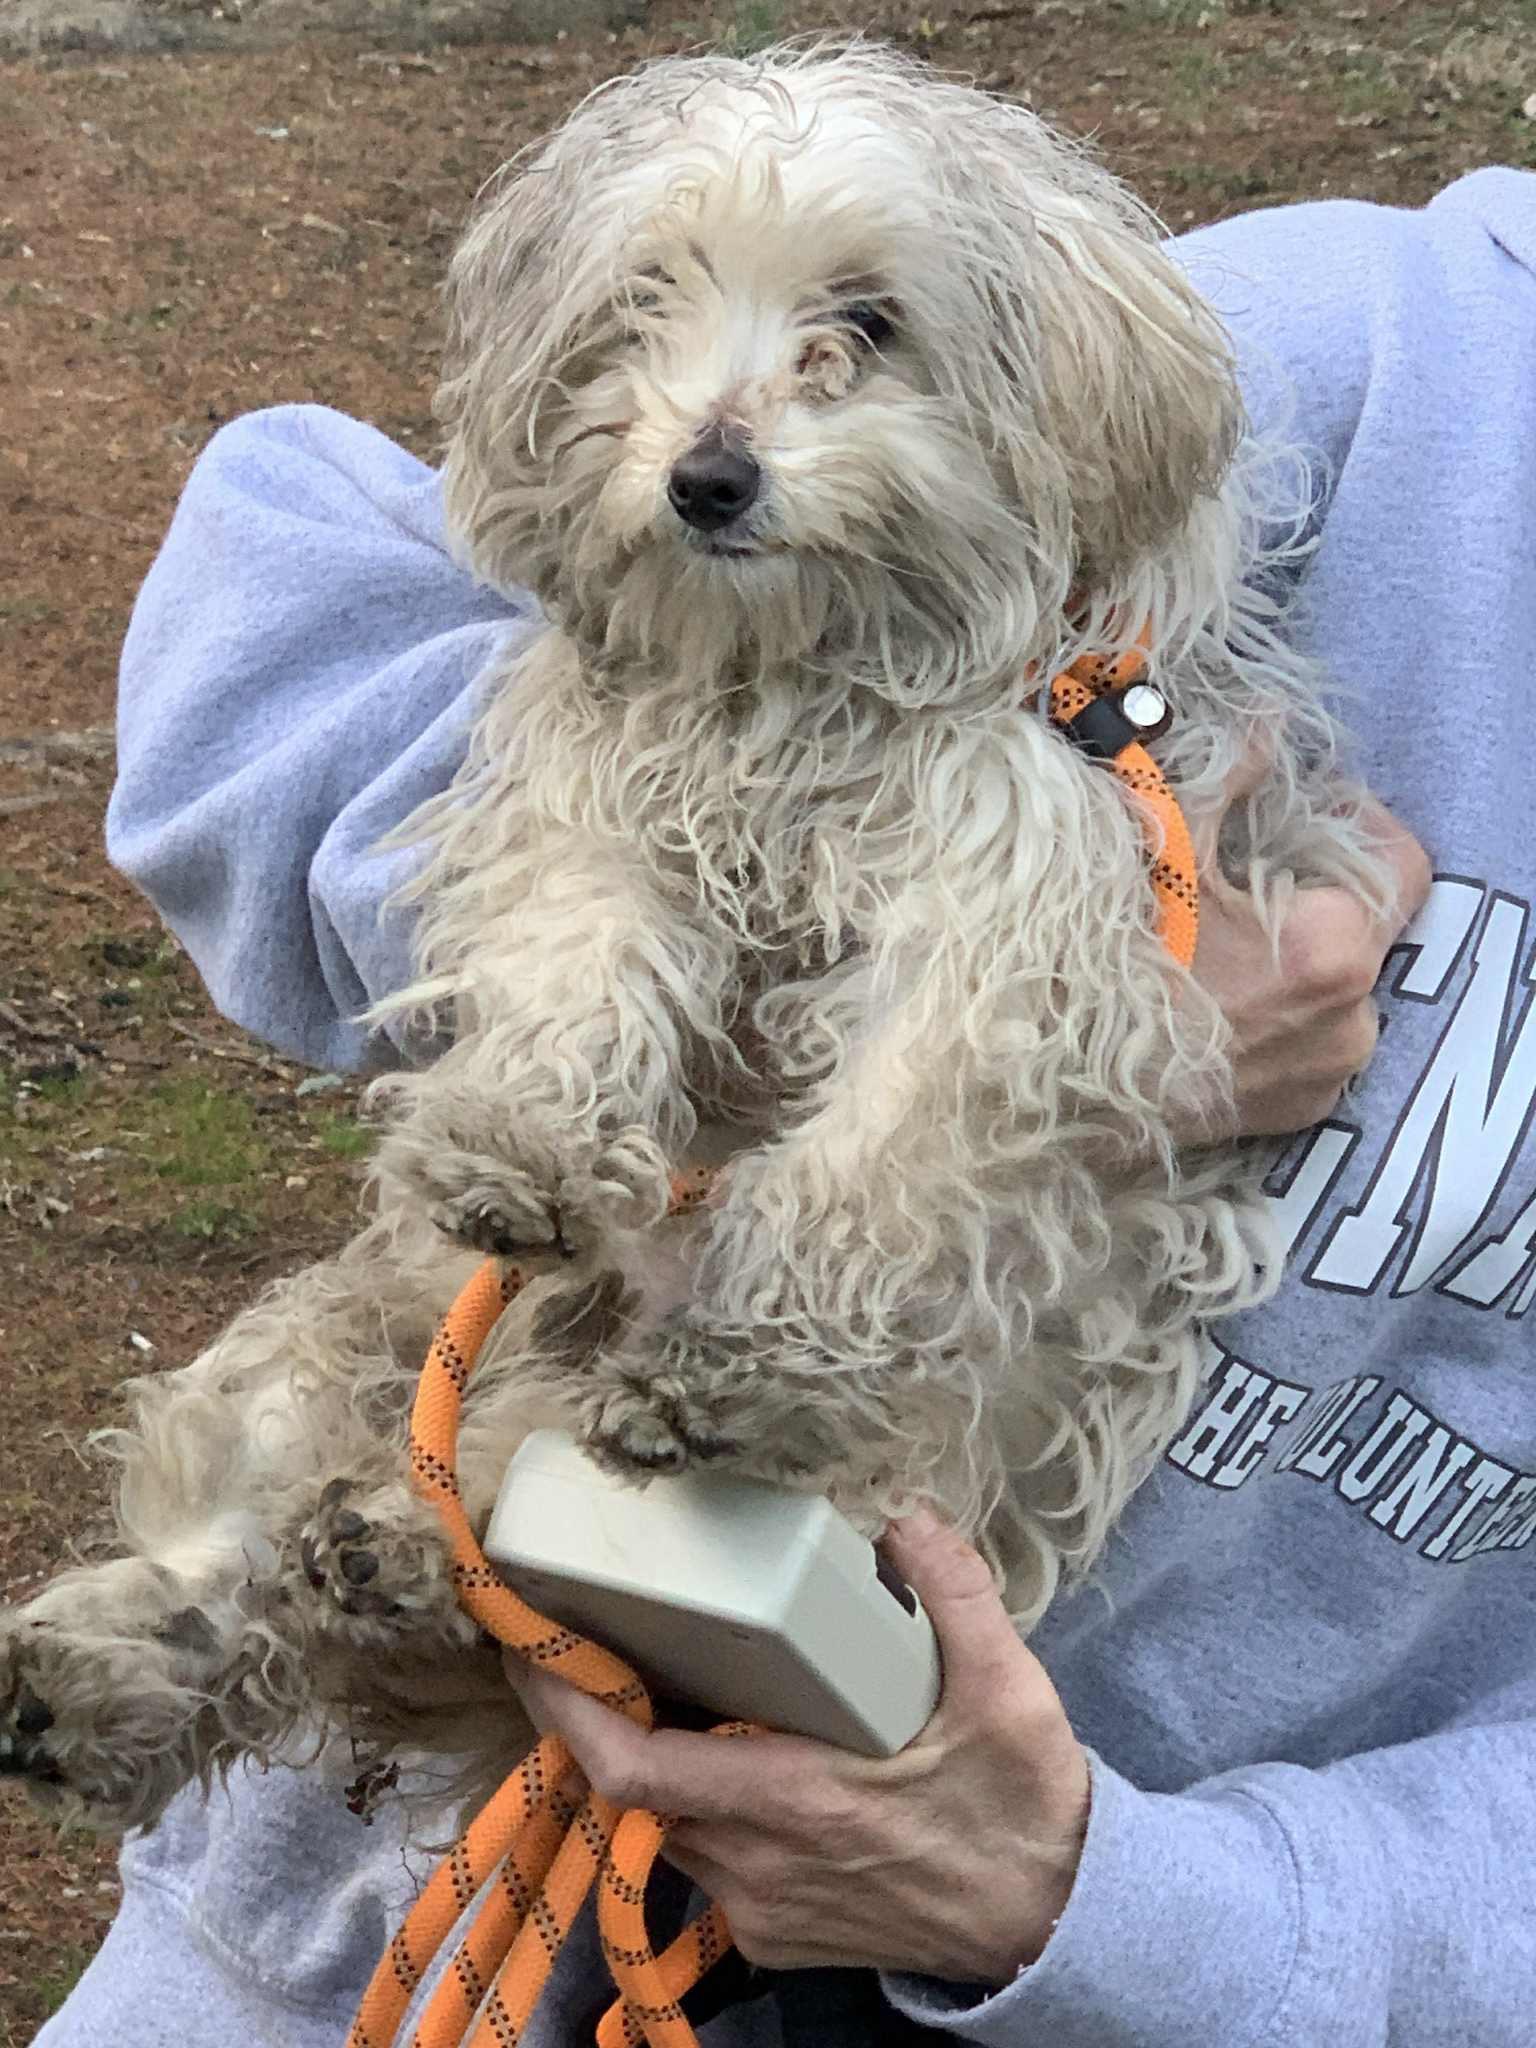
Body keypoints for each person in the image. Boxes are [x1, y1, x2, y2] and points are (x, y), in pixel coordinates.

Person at [39, 164, 1536, 2047]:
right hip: (381, 1952)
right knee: (364, 1387)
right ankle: (233, 1589)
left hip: (1109, 1985)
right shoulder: (1371, 354)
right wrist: (715, 992)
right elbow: (284, 621)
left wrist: (1112, 1906)